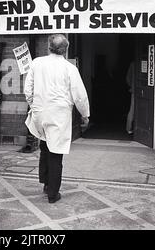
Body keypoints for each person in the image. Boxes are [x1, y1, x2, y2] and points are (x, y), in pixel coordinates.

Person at [24, 34, 90, 203]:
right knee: (56, 153)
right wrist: (85, 115)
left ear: (49, 46)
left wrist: (34, 106)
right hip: (59, 115)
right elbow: (80, 96)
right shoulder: (70, 69)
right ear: (65, 50)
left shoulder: (37, 63)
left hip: (40, 113)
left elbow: (27, 88)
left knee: (45, 147)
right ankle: (53, 193)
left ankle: (46, 183)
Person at [126, 61, 135, 135]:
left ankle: (129, 128)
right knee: (132, 110)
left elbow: (128, 78)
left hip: (134, 90)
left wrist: (131, 86)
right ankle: (129, 128)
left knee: (132, 109)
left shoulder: (132, 64)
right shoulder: (133, 64)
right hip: (136, 90)